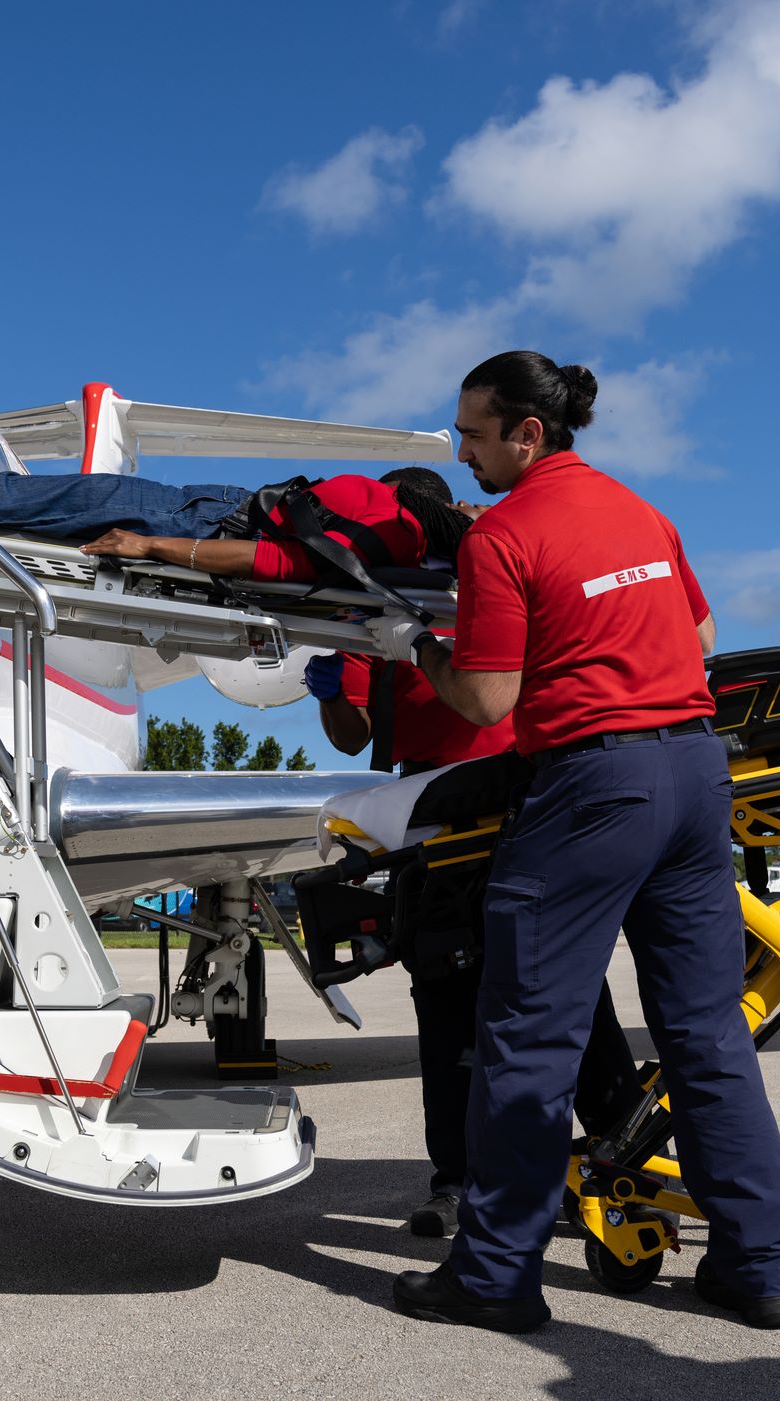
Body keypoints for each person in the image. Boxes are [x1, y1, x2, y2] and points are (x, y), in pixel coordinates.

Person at [365, 351, 780, 1333]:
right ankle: (760, 1269)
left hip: (594, 784)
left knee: (527, 1037)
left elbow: (487, 697)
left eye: (474, 433)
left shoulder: (503, 534)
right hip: (695, 775)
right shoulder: (641, 511)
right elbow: (698, 640)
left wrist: (419, 651)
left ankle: (493, 1277)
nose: (461, 449)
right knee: (706, 1034)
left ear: (528, 432)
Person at [306, 468, 642, 1240]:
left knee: (570, 995)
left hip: (525, 799)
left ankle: (624, 1159)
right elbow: (354, 734)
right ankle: (457, 1180)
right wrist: (332, 689)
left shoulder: (493, 565)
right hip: (428, 815)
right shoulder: (366, 607)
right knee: (447, 1004)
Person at [0, 468, 470, 583]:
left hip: (192, 519)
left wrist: (151, 544)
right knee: (13, 503)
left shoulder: (390, 519)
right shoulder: (404, 538)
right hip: (205, 513)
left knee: (10, 499)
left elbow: (280, 563)